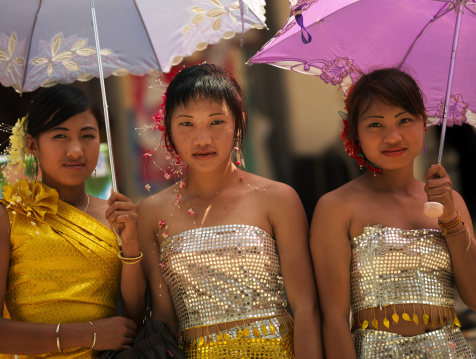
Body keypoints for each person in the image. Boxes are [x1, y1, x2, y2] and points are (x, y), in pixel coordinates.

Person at [137, 64, 322, 358]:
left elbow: (305, 308)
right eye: (186, 124)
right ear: (167, 128)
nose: (202, 140)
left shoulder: (278, 198)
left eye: (216, 122)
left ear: (238, 122)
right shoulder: (150, 212)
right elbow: (164, 318)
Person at [0, 84, 146, 358]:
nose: (76, 150)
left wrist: (131, 245)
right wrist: (89, 334)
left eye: (88, 135)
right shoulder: (4, 218)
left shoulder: (117, 216)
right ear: (32, 145)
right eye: (60, 136)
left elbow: (132, 322)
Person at [310, 68, 476, 358]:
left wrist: (450, 219)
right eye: (376, 124)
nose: (393, 136)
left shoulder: (451, 203)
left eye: (405, 120)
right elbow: (334, 318)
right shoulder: (336, 207)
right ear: (354, 133)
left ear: (424, 124)